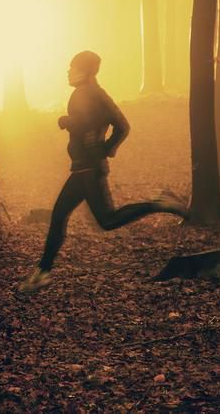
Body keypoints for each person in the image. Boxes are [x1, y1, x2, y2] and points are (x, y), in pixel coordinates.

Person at [17, 50, 188, 294]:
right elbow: (121, 126)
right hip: (84, 167)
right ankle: (42, 272)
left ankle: (160, 203)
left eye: (72, 67)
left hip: (88, 169)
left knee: (106, 220)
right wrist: (106, 148)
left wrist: (67, 122)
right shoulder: (97, 94)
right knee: (59, 216)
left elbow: (86, 123)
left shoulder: (84, 95)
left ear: (84, 72)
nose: (68, 71)